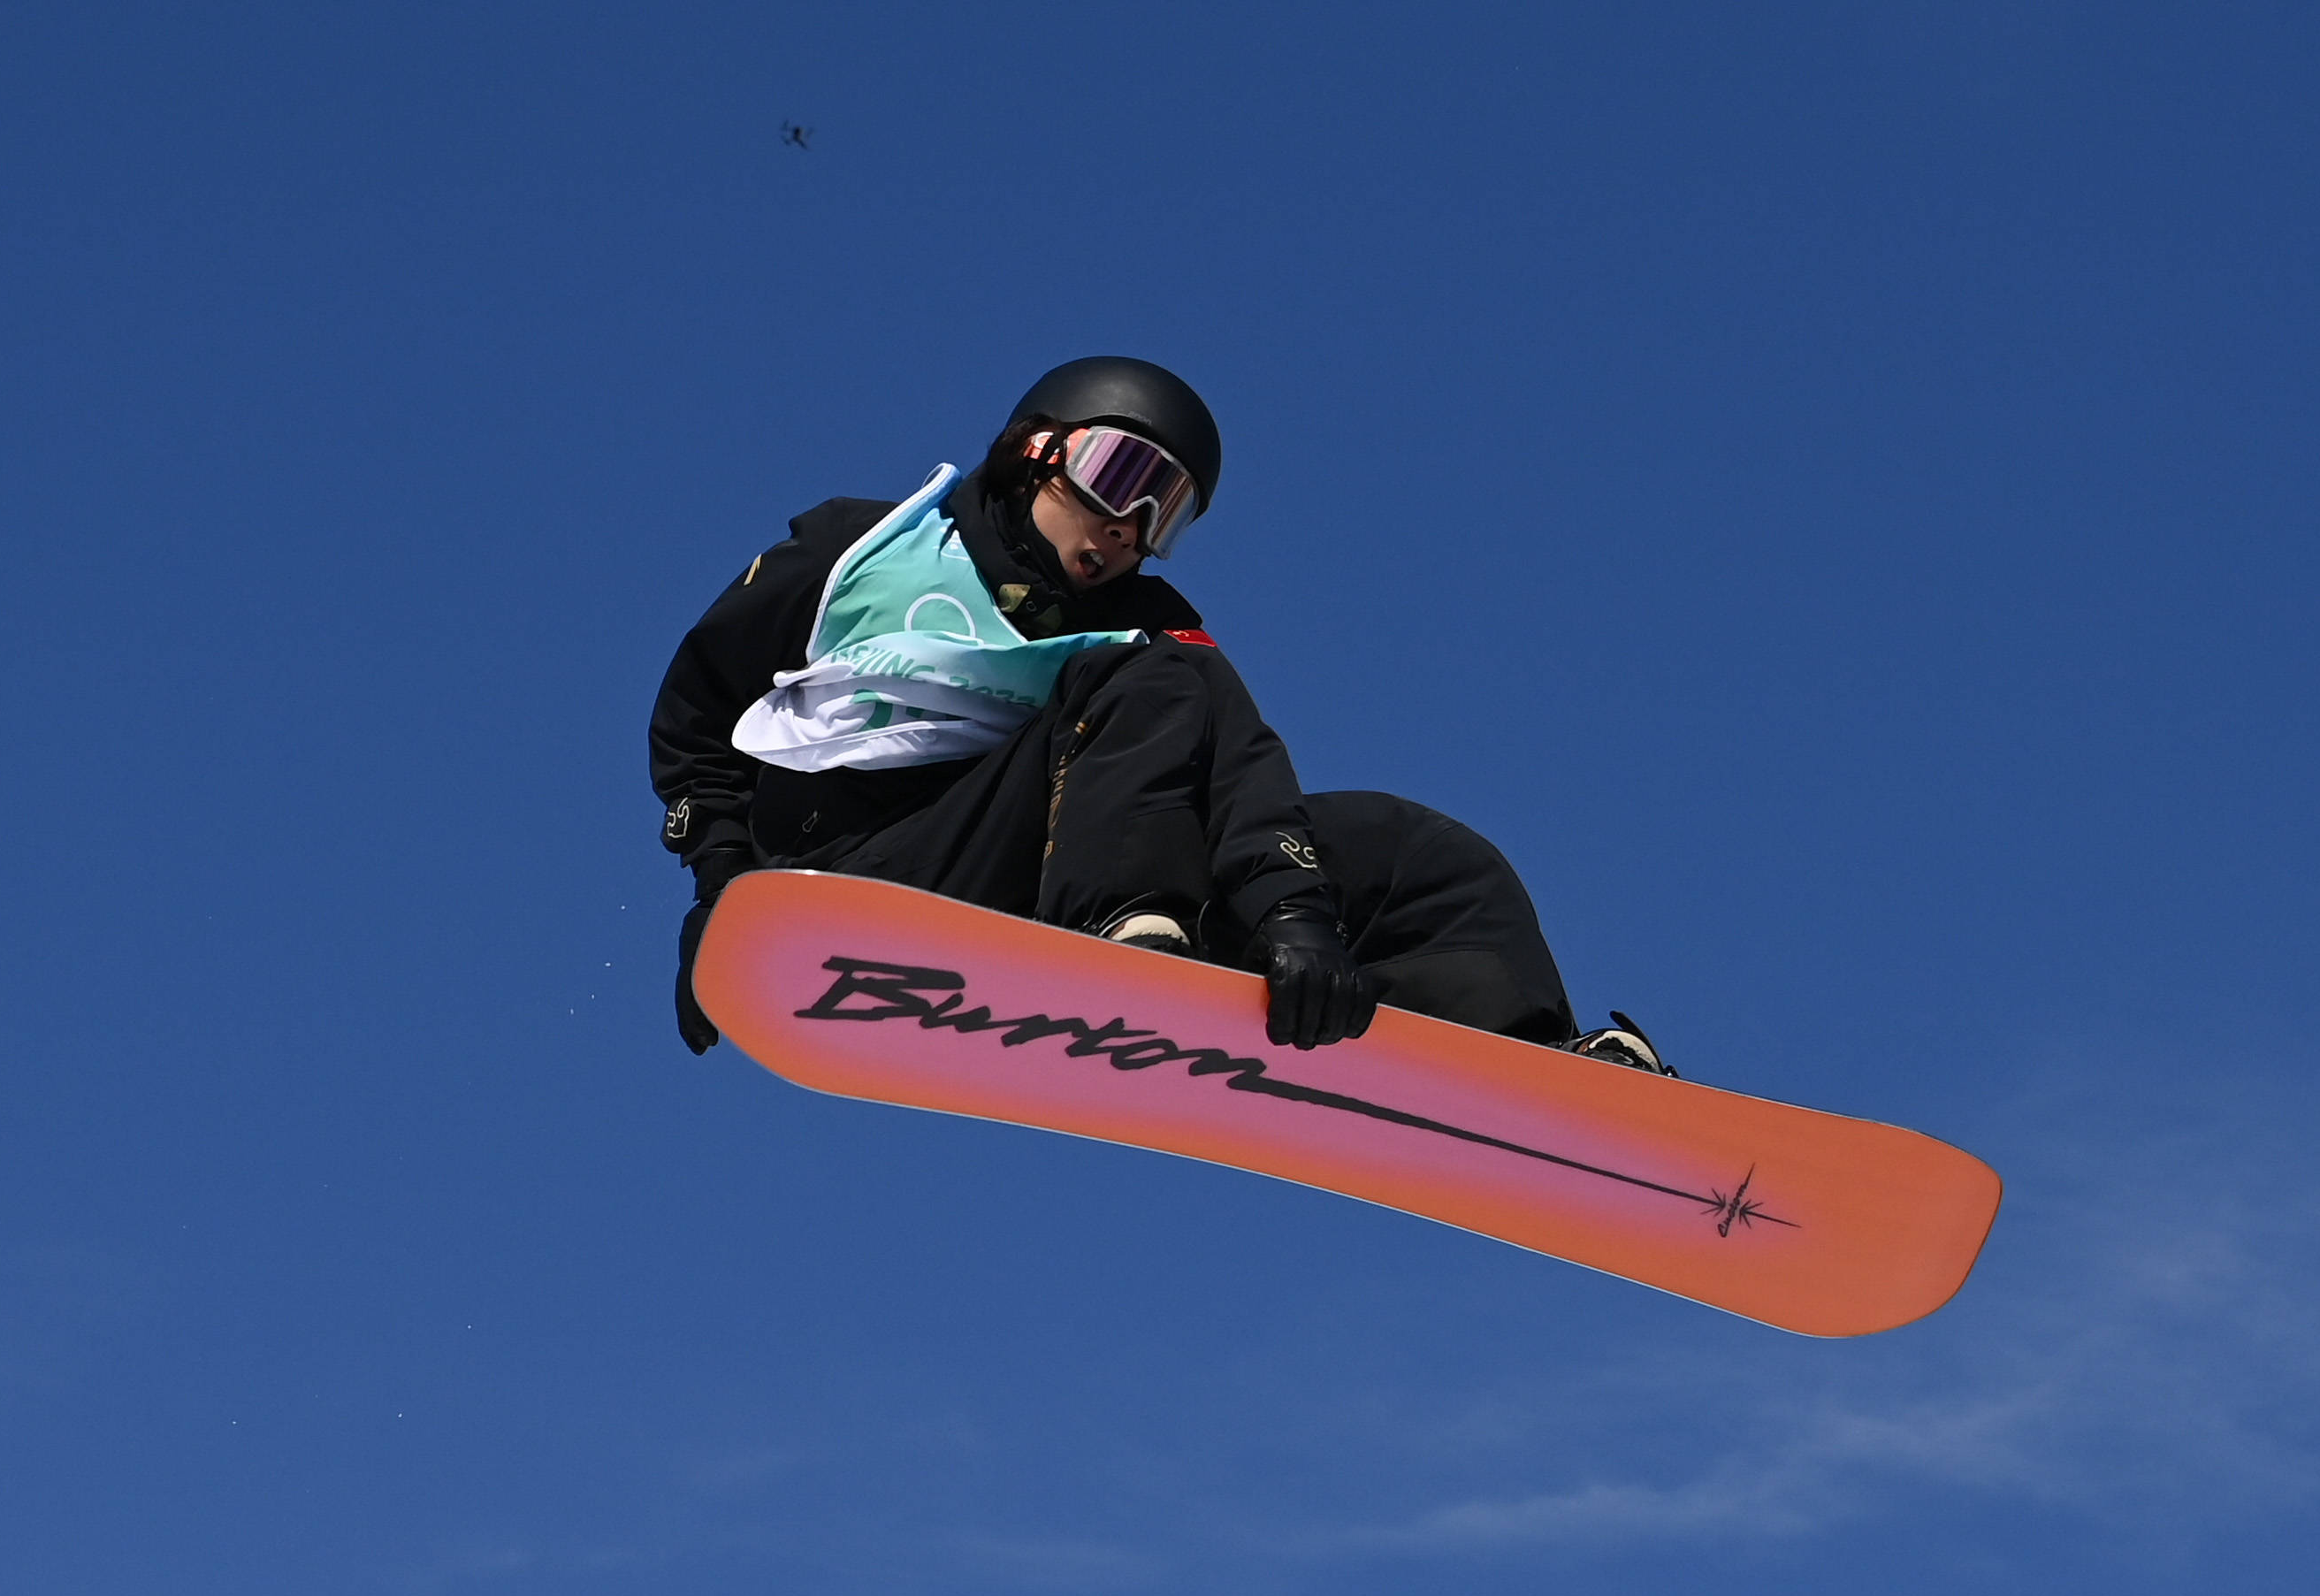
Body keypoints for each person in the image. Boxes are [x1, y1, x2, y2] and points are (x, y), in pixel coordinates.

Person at [647, 356, 1670, 1072]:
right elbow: (696, 717)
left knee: (1405, 844)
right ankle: (1122, 937)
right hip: (864, 875)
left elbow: (1241, 774)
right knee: (1147, 683)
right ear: (1035, 452)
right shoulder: (866, 547)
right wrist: (727, 897)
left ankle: (1535, 1056)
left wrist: (1297, 919)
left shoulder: (1150, 625)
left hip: (1050, 873)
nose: (1129, 529)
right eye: (1120, 480)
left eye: (1165, 514)